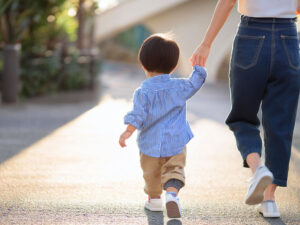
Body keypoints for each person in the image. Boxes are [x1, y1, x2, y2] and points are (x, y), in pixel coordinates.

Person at [191, 0, 300, 218]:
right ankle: (269, 201)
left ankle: (258, 168)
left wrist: (206, 43)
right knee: (281, 124)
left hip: (252, 35)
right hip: (288, 38)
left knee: (243, 117)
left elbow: (228, 2)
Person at [119, 33, 207, 218]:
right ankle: (172, 195)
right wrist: (199, 68)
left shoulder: (142, 93)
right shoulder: (180, 87)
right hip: (176, 142)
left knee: (151, 175)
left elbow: (138, 116)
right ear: (174, 66)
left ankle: (155, 199)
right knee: (174, 170)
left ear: (142, 64)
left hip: (150, 145)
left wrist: (128, 131)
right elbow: (196, 82)